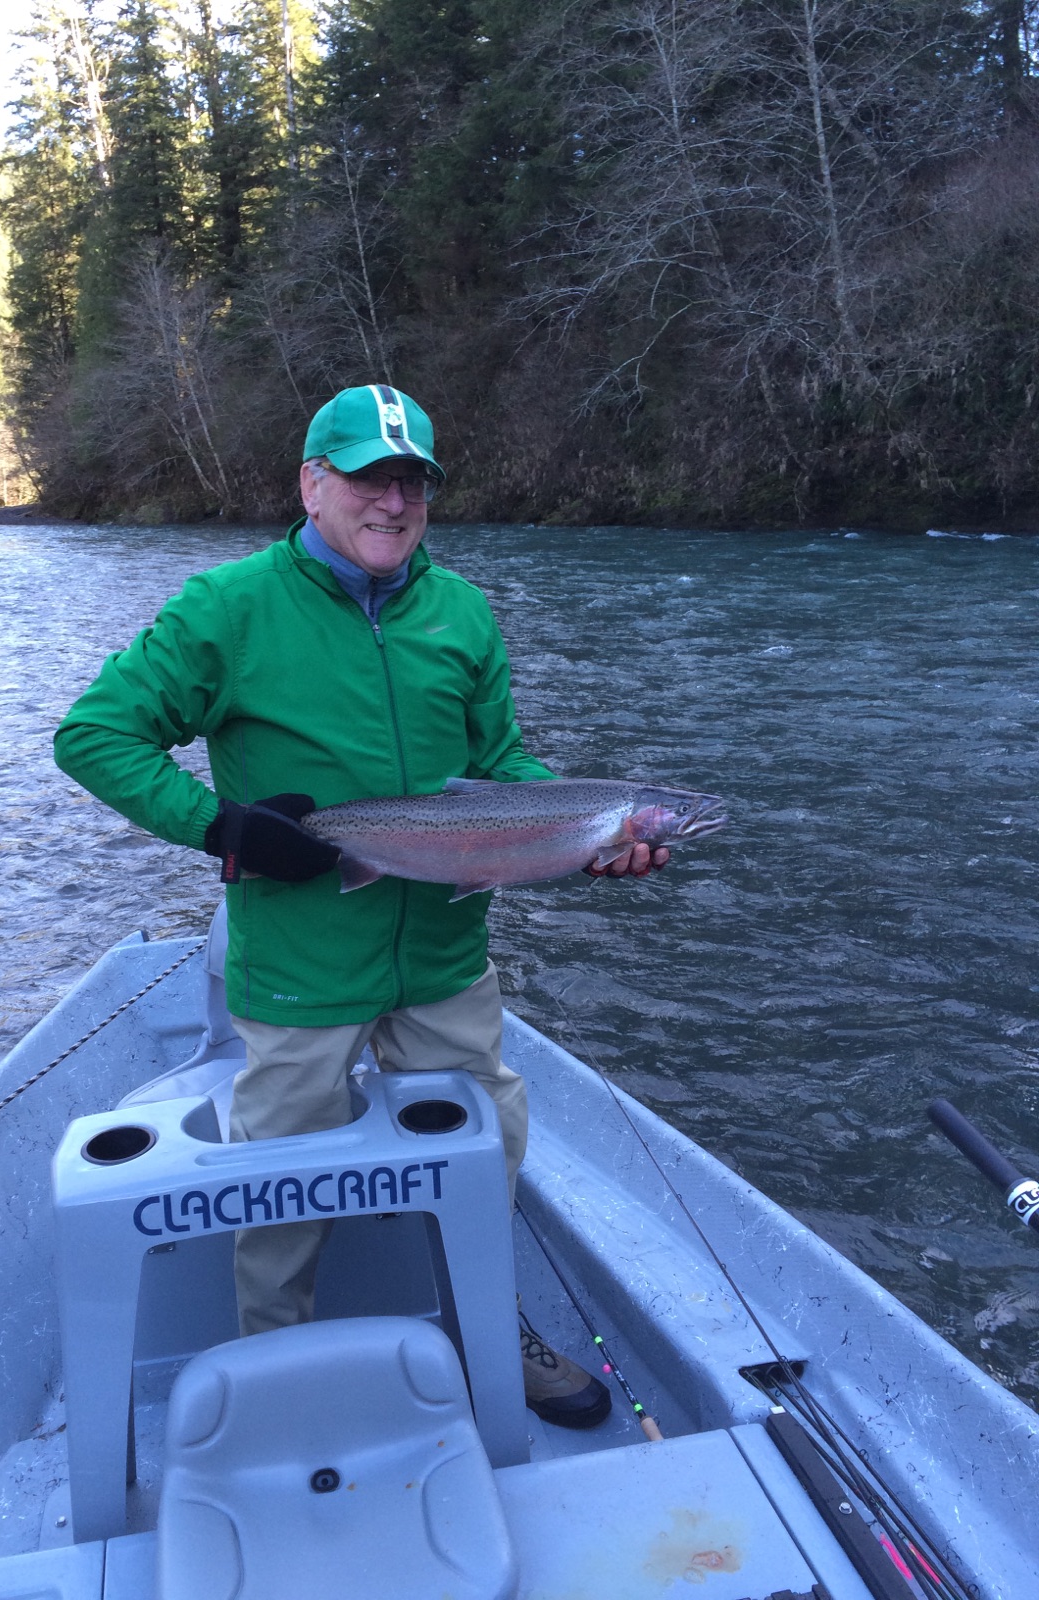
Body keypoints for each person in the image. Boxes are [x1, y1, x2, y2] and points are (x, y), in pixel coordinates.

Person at [54, 383, 668, 1430]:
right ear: (312, 481)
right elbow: (96, 735)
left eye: (413, 481)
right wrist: (221, 827)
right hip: (299, 962)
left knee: (484, 1152)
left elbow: (498, 762)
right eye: (370, 477)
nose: (393, 501)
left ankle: (493, 1324)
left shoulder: (462, 612)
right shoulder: (228, 607)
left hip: (442, 956)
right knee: (279, 1185)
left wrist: (579, 824)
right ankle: (274, 1361)